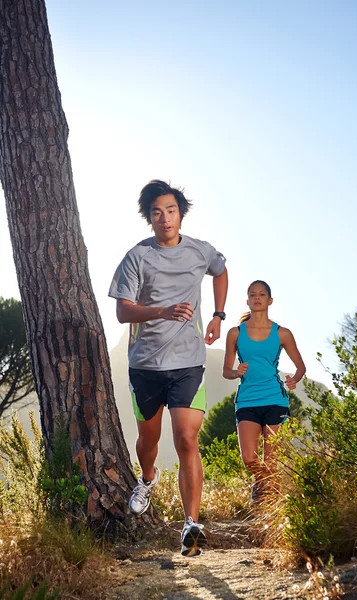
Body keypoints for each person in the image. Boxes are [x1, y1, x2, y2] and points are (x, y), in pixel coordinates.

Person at [109, 180, 228, 556]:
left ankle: (191, 525)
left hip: (188, 363)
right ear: (149, 218)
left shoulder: (199, 251)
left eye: (171, 211)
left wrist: (218, 315)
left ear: (181, 213)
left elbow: (220, 269)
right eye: (157, 213)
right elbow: (122, 311)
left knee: (187, 439)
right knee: (149, 439)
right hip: (144, 363)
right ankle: (147, 478)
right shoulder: (136, 257)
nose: (165, 219)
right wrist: (162, 311)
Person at [222, 280, 305, 501]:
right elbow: (226, 371)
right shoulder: (235, 333)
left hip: (275, 399)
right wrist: (236, 372)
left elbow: (300, 367)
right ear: (247, 300)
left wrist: (294, 379)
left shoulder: (282, 333)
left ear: (270, 300)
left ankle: (270, 507)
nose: (257, 297)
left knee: (271, 460)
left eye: (261, 294)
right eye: (252, 294)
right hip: (247, 400)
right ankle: (262, 483)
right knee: (250, 459)